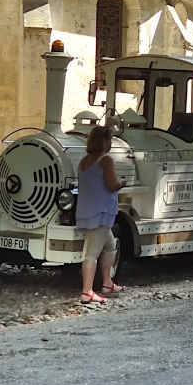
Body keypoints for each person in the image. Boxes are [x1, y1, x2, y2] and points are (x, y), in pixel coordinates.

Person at [76, 125, 125, 304]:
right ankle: (87, 292)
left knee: (110, 245)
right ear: (104, 142)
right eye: (110, 139)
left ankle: (107, 283)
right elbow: (112, 185)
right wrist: (123, 183)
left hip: (87, 210)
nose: (111, 143)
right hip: (100, 212)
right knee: (91, 253)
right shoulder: (106, 160)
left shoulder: (83, 161)